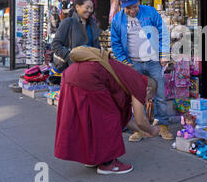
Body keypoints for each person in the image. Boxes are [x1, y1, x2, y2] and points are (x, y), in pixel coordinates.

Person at [54, 46, 160, 175]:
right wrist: (152, 130)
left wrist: (142, 131)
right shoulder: (140, 83)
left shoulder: (128, 76)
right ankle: (109, 164)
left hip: (72, 73)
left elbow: (125, 118)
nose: (145, 101)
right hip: (89, 75)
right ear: (148, 89)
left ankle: (93, 158)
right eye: (148, 98)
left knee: (90, 118)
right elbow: (140, 120)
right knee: (109, 118)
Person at [111, 0, 173, 141]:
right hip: (134, 64)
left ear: (139, 2)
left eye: (134, 6)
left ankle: (163, 125)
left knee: (159, 96)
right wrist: (125, 63)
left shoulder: (150, 12)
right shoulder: (117, 20)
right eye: (128, 8)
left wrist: (164, 55)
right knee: (137, 98)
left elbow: (163, 32)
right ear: (122, 6)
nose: (132, 10)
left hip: (153, 61)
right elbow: (116, 43)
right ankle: (140, 128)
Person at [52, 0, 102, 72]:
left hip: (90, 68)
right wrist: (70, 57)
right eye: (87, 7)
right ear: (77, 7)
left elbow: (96, 46)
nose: (89, 10)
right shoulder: (68, 22)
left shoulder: (93, 25)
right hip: (72, 68)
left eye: (91, 8)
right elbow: (55, 45)